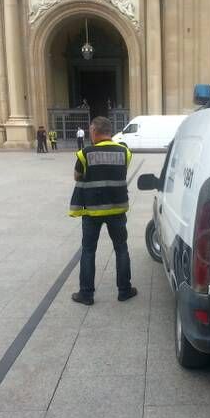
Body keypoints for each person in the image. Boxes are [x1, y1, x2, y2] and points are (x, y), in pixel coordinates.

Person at [69, 116, 137, 305]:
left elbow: (77, 176)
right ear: (109, 131)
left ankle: (86, 294)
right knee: (121, 248)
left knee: (89, 251)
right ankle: (124, 291)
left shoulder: (84, 153)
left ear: (94, 131)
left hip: (92, 211)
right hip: (117, 209)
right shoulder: (125, 152)